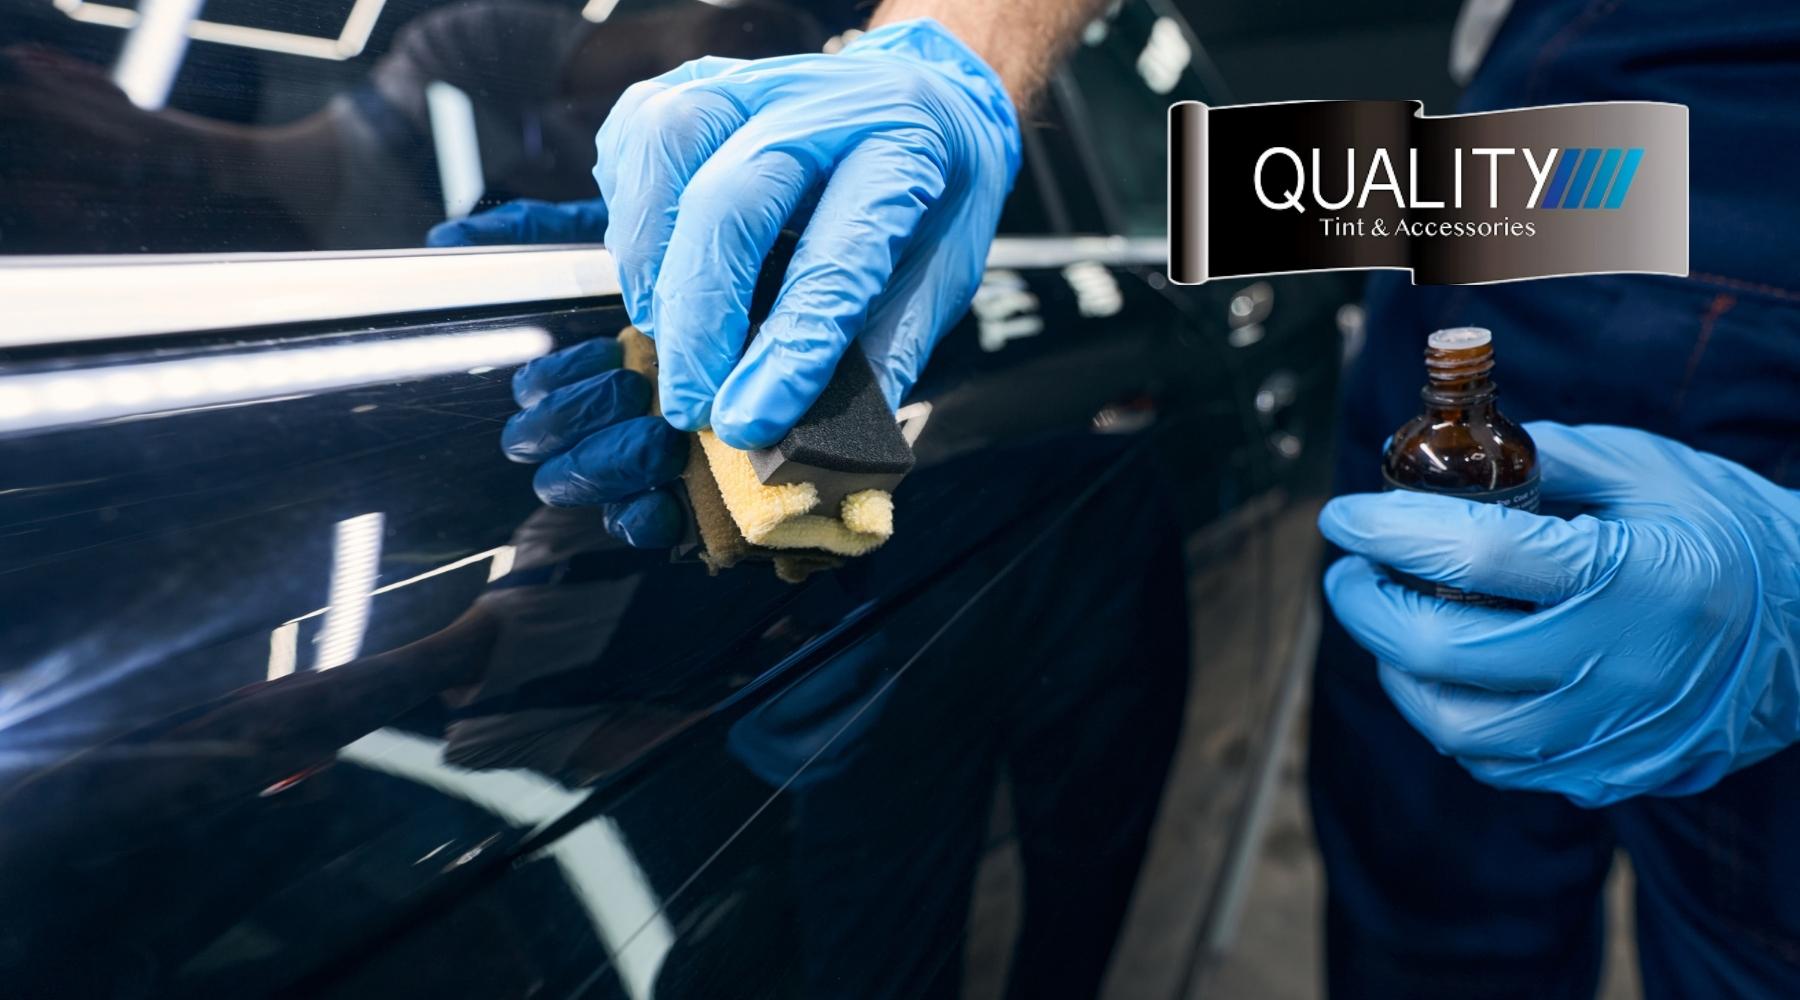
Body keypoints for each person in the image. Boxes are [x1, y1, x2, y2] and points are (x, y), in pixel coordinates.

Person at [429, 0, 1800, 995]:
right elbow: (1597, 182)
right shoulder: (1588, 151)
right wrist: (954, 53)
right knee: (1428, 904)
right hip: (1560, 181)